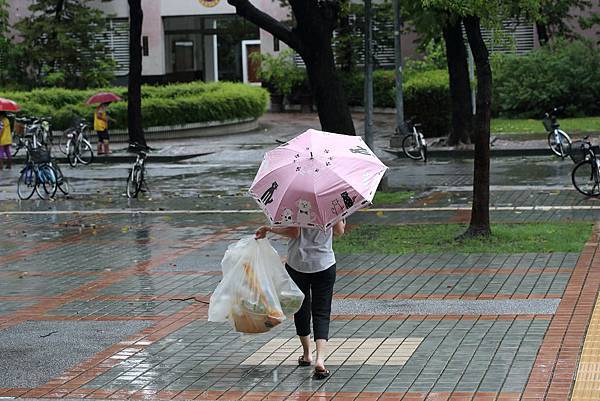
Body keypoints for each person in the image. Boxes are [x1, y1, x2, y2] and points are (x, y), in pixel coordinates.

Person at [255, 219, 345, 380]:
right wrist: (341, 218)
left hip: (297, 265)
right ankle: (320, 360)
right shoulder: (331, 204)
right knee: (322, 311)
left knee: (301, 308)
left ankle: (306, 354)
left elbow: (294, 233)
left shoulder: (296, 203)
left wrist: (268, 228)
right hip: (324, 264)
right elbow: (339, 231)